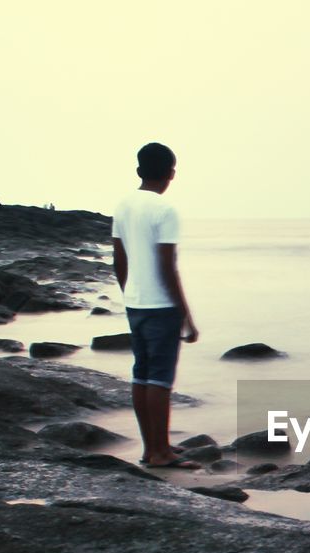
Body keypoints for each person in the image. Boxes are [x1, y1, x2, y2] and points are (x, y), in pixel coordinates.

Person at [111, 142, 201, 469]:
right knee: (161, 379)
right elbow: (168, 266)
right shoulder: (165, 211)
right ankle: (161, 452)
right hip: (161, 306)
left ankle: (151, 448)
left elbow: (118, 258)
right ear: (171, 174)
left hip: (135, 304)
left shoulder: (123, 206)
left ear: (139, 171)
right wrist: (186, 316)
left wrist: (129, 293)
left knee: (142, 375)